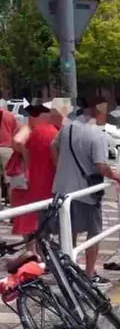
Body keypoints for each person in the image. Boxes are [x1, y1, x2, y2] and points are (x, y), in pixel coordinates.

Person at [51, 96, 120, 289]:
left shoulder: (68, 127)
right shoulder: (97, 135)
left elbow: (53, 147)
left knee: (68, 231)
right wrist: (116, 175)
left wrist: (61, 168)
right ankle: (89, 274)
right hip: (86, 192)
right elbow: (101, 166)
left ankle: (69, 270)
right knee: (94, 233)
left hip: (62, 190)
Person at [10, 100, 58, 256]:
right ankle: (33, 253)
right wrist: (26, 154)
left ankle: (34, 253)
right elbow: (18, 141)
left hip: (34, 179)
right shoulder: (32, 129)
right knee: (34, 217)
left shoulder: (38, 130)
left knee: (34, 217)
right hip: (32, 180)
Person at [0, 99, 19, 207]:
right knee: (9, 181)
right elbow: (16, 133)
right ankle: (13, 209)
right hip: (7, 149)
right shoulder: (11, 116)